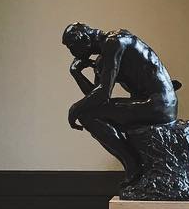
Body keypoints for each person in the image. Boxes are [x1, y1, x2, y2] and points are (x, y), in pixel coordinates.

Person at [61, 21, 180, 183]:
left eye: (71, 46)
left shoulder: (115, 41)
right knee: (89, 114)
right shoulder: (103, 58)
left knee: (86, 116)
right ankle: (133, 163)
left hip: (160, 105)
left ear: (83, 39)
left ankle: (133, 164)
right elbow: (96, 99)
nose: (72, 53)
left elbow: (102, 95)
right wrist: (76, 73)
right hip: (152, 105)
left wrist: (74, 109)